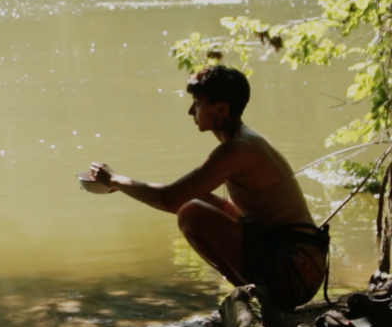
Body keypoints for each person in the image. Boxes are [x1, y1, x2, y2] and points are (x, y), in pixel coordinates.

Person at [89, 65, 328, 310]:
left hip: (297, 273)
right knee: (196, 201)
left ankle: (257, 300)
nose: (191, 110)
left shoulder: (239, 149)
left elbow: (169, 199)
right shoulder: (241, 140)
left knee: (192, 214)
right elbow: (177, 196)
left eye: (197, 103)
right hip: (294, 262)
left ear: (220, 110)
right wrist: (127, 186)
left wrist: (114, 180)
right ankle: (250, 296)